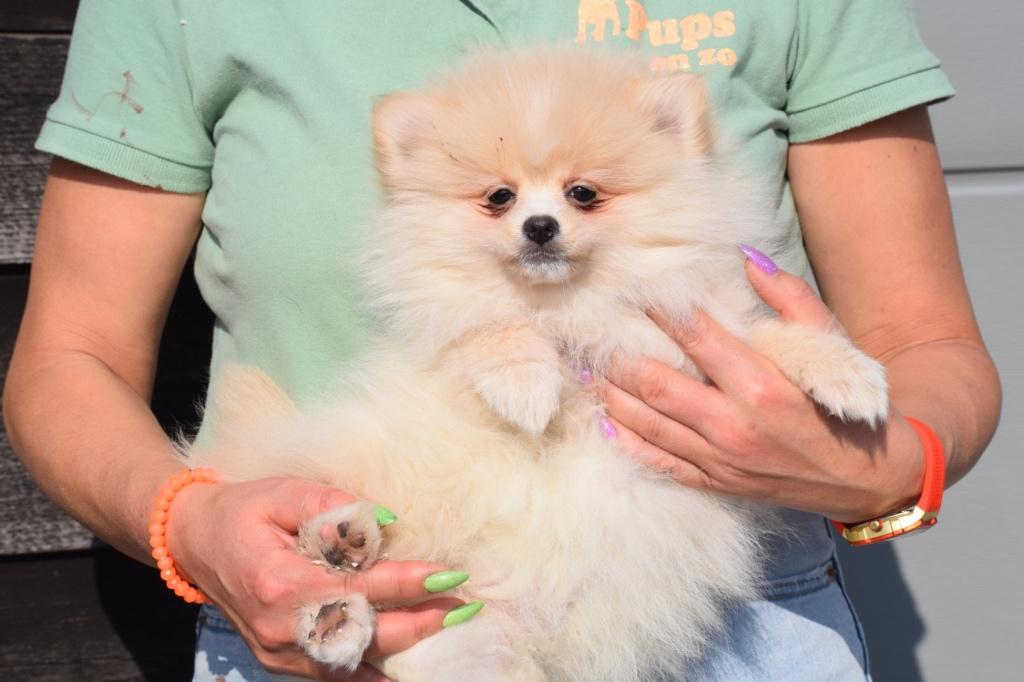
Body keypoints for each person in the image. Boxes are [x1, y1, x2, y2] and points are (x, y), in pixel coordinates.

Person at [2, 1, 1000, 680]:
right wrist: (192, 524)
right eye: (502, 199)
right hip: (343, 622)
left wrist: (876, 471)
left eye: (575, 195)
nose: (539, 221)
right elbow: (67, 359)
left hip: (725, 621)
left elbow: (923, 345)